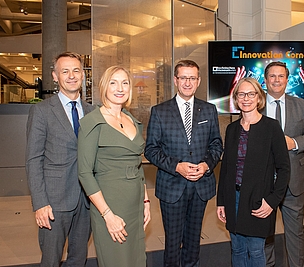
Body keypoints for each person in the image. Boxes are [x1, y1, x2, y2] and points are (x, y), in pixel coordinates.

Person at [144, 59, 223, 267]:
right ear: (175, 80)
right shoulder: (160, 111)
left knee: (193, 241)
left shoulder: (209, 110)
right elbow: (151, 150)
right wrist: (176, 166)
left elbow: (216, 144)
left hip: (201, 187)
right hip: (172, 187)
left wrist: (206, 165)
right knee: (172, 243)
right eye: (183, 78)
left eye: (192, 78)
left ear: (198, 81)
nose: (188, 82)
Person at [77, 66, 151, 267]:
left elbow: (137, 164)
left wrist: (145, 201)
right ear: (104, 87)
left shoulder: (132, 121)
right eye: (113, 82)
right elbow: (84, 173)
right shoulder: (93, 122)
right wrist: (107, 215)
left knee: (136, 259)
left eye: (125, 83)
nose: (120, 88)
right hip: (110, 205)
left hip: (135, 204)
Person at [25, 51, 94, 266]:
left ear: (83, 75)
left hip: (86, 200)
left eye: (76, 70)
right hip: (54, 202)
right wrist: (40, 203)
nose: (71, 76)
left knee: (78, 258)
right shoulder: (42, 111)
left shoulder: (94, 112)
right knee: (51, 260)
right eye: (65, 71)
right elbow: (33, 159)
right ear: (55, 76)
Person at [216, 77, 290, 267]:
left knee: (256, 250)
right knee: (237, 249)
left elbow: (284, 168)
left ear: (259, 98)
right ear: (236, 98)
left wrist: (272, 201)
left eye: (251, 94)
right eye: (241, 94)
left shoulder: (272, 127)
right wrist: (221, 202)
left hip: (259, 201)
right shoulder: (232, 129)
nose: (246, 98)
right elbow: (225, 169)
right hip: (233, 200)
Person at [263, 61, 304, 267]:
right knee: (264, 236)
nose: (276, 80)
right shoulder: (255, 105)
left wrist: (295, 143)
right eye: (272, 76)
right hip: (263, 184)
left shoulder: (302, 105)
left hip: (293, 184)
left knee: (296, 235)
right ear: (265, 80)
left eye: (281, 76)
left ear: (287, 80)